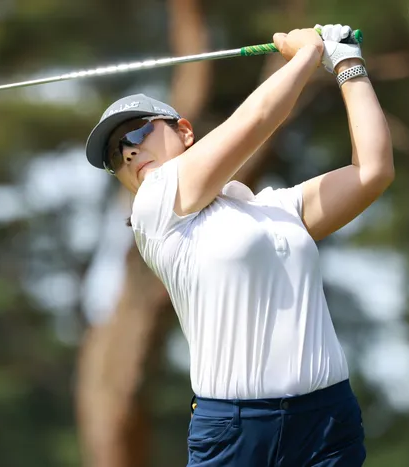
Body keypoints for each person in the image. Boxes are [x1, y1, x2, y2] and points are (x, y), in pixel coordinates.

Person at [84, 23, 393, 466]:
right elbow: (258, 120)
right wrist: (307, 55)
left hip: (327, 423)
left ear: (184, 131)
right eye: (115, 155)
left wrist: (347, 63)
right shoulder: (154, 208)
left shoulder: (277, 208)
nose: (128, 153)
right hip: (236, 432)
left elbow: (373, 171)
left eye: (135, 134)